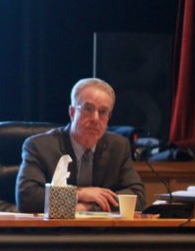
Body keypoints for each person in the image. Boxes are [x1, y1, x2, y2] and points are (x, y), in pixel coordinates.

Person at [16, 77, 146, 213]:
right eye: (88, 109)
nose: (95, 118)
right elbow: (27, 198)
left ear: (109, 117)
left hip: (103, 233)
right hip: (54, 232)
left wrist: (87, 207)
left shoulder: (119, 146)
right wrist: (80, 194)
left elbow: (137, 197)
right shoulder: (40, 146)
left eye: (102, 112)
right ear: (72, 113)